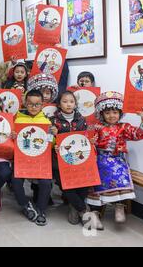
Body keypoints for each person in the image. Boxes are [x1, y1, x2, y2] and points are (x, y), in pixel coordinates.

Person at [87, 91, 143, 226]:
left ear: (120, 113)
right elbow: (86, 142)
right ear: (101, 114)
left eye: (115, 112)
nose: (112, 116)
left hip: (118, 159)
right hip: (99, 159)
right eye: (108, 112)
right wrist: (91, 141)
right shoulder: (96, 127)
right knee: (96, 179)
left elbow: (138, 134)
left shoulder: (124, 127)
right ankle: (94, 213)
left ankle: (119, 206)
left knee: (120, 174)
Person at [49, 91, 102, 228]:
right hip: (59, 160)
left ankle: (75, 207)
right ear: (59, 104)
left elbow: (85, 137)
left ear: (75, 103)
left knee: (83, 182)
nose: (68, 104)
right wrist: (54, 142)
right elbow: (48, 140)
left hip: (79, 159)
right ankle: (84, 211)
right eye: (65, 101)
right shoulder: (53, 120)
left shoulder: (82, 119)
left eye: (71, 101)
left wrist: (91, 140)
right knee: (65, 184)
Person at [12, 90, 54, 226]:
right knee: (15, 180)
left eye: (37, 104)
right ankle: (25, 205)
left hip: (40, 160)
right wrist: (12, 136)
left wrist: (53, 136)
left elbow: (50, 144)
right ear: (25, 103)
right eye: (30, 104)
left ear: (42, 105)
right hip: (22, 159)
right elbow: (12, 141)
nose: (33, 107)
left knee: (46, 182)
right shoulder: (17, 119)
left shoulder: (46, 121)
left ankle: (41, 210)